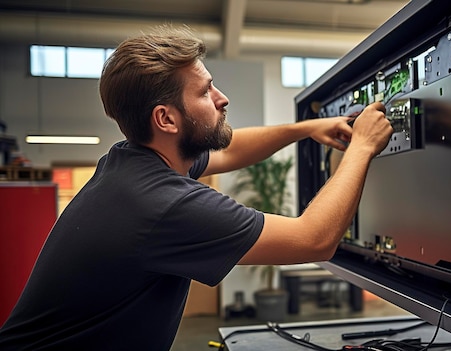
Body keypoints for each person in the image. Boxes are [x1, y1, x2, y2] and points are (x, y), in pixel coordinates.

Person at [0, 25, 392, 350]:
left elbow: (230, 148)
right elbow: (314, 239)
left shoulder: (133, 161)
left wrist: (305, 129)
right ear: (166, 118)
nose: (222, 99)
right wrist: (363, 145)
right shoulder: (162, 204)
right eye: (204, 92)